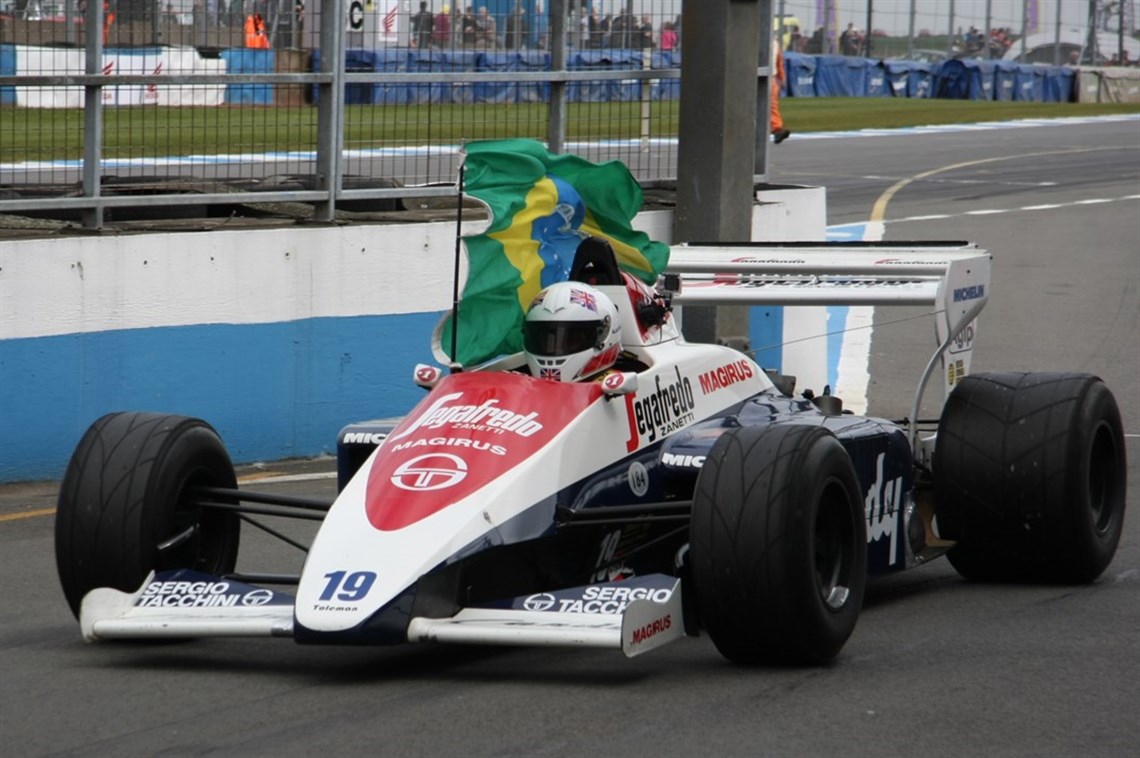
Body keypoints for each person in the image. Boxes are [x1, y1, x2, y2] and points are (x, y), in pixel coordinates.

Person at [523, 282, 621, 383]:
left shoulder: (625, 386)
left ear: (603, 336)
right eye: (544, 339)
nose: (554, 348)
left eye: (572, 340)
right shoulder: (521, 383)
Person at [770, 37, 790, 144]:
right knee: (771, 105)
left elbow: (779, 61)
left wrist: (782, 78)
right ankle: (776, 128)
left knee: (772, 105)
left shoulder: (774, 43)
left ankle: (777, 129)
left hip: (768, 77)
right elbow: (779, 62)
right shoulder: (774, 42)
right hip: (768, 77)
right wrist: (782, 78)